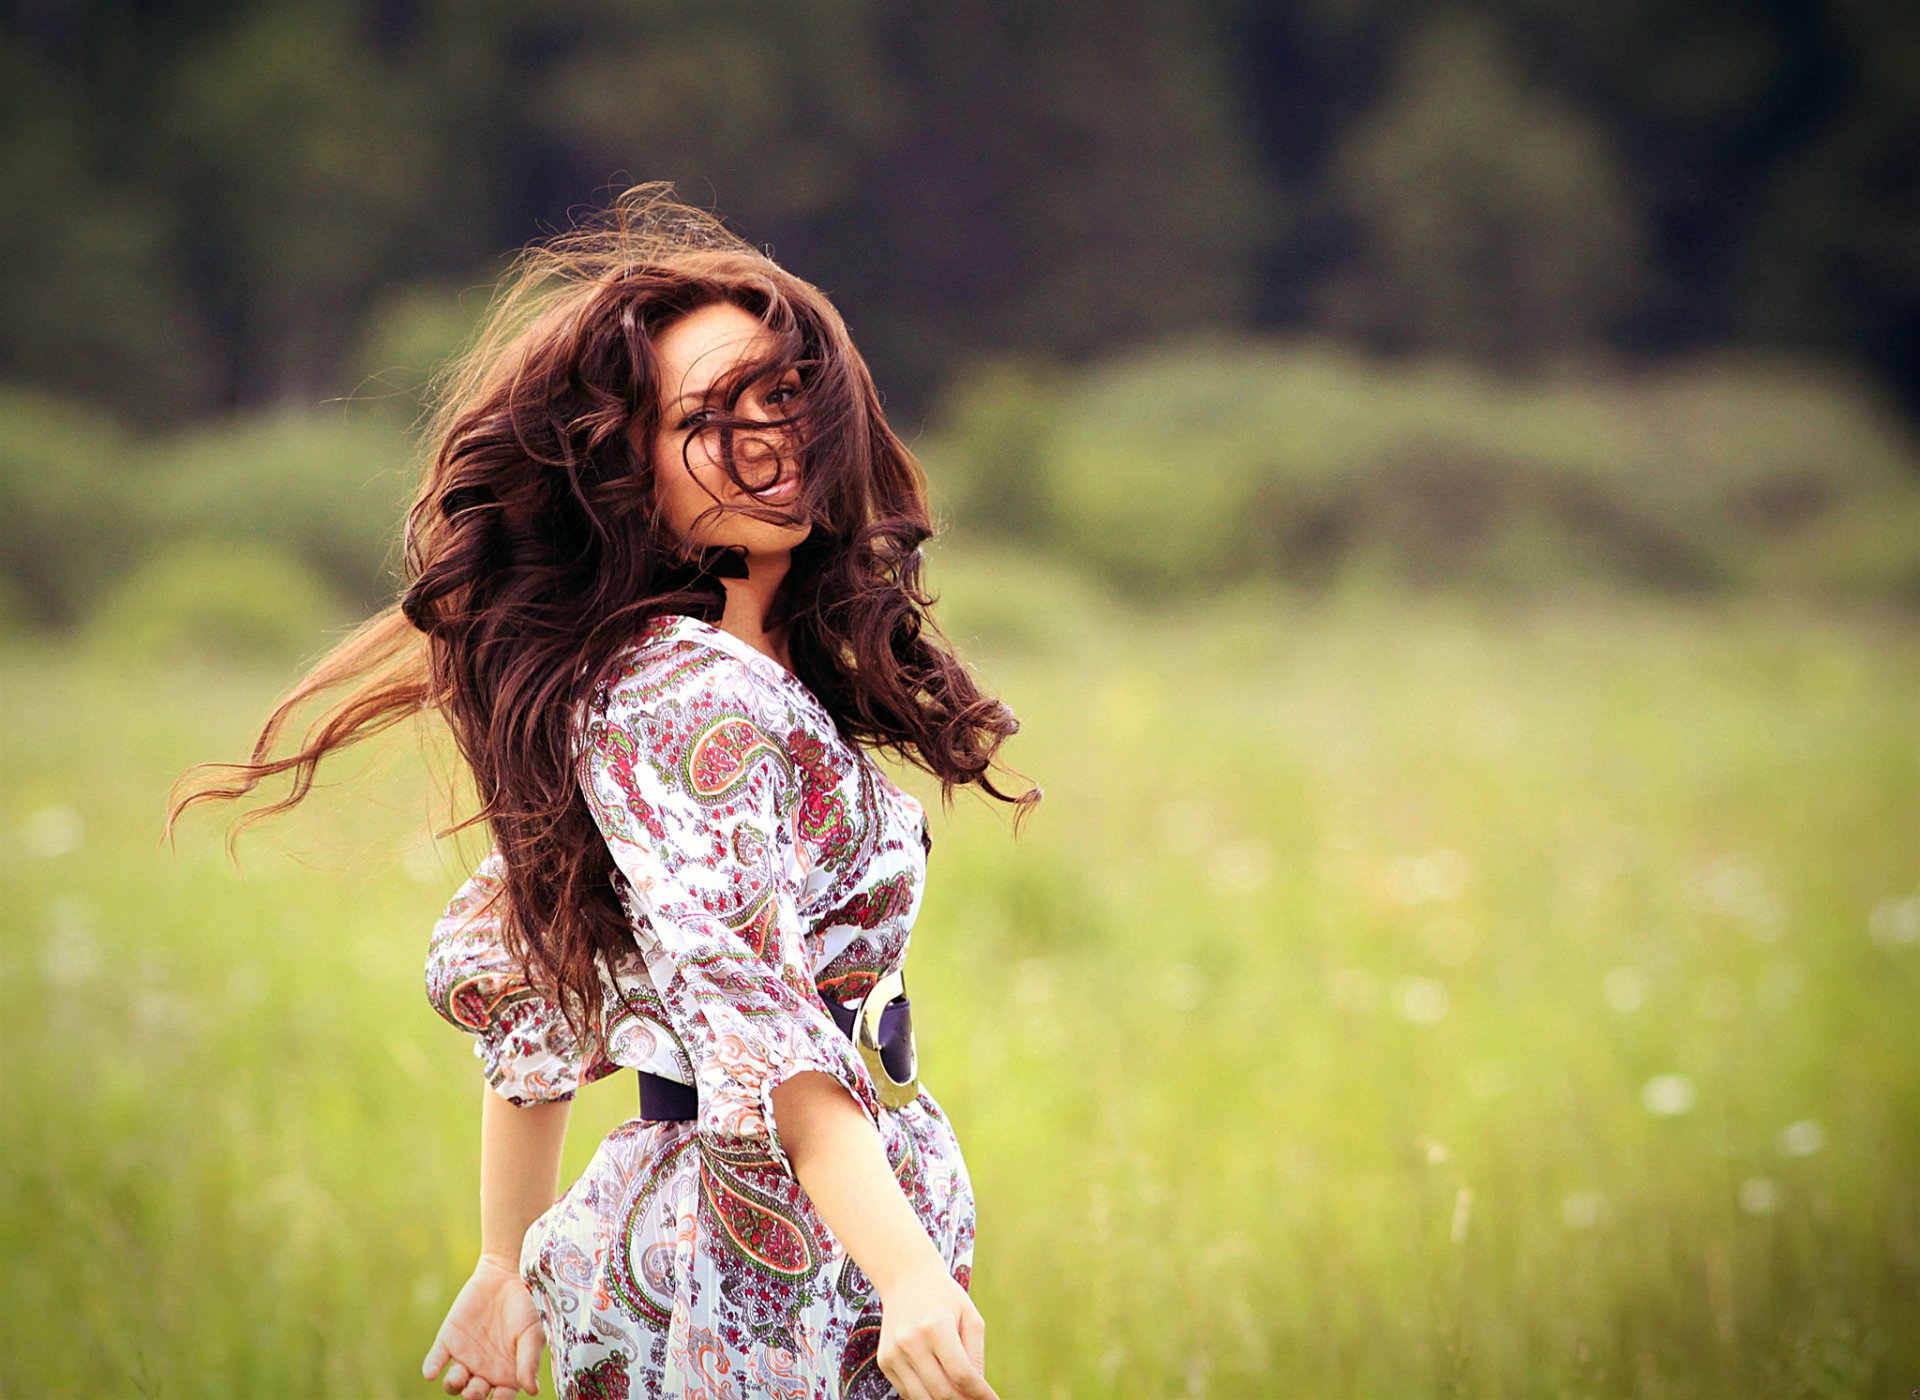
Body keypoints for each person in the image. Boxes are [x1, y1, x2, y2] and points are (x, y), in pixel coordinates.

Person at [166, 184, 1037, 1400]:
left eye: (785, 398)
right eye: (708, 414)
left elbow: (536, 951)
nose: (767, 439)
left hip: (789, 1220)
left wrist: (500, 1258)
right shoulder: (686, 703)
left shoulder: (728, 674)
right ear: (629, 464)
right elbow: (760, 1016)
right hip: (746, 1251)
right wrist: (906, 1274)